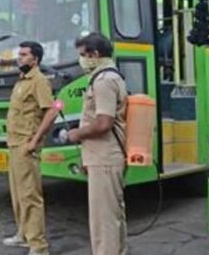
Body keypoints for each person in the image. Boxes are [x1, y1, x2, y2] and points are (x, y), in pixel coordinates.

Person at [67, 32, 128, 255]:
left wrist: (78, 134)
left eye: (83, 55)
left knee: (104, 220)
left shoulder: (104, 81)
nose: (81, 60)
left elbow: (104, 122)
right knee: (112, 215)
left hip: (105, 157)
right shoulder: (106, 76)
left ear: (95, 54)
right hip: (103, 157)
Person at [2, 41, 56, 255]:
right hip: (14, 144)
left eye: (24, 54)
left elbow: (50, 112)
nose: (19, 57)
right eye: (19, 54)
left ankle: (38, 245)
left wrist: (34, 142)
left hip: (26, 145)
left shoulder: (39, 81)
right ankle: (23, 234)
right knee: (17, 193)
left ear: (35, 59)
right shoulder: (21, 80)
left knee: (30, 195)